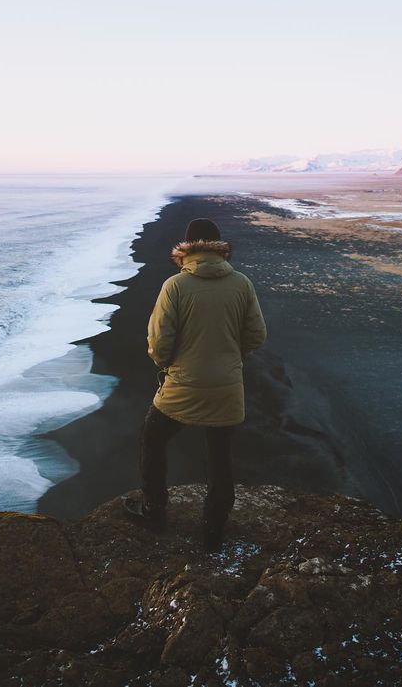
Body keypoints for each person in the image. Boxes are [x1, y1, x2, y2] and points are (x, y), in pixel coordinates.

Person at [123, 217, 267, 552]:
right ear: (219, 249)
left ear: (186, 248)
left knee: (153, 439)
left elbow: (159, 343)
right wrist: (231, 359)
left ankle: (154, 511)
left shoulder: (175, 286)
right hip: (228, 386)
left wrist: (168, 365)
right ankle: (213, 532)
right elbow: (257, 335)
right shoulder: (242, 283)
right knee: (221, 457)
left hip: (183, 385)